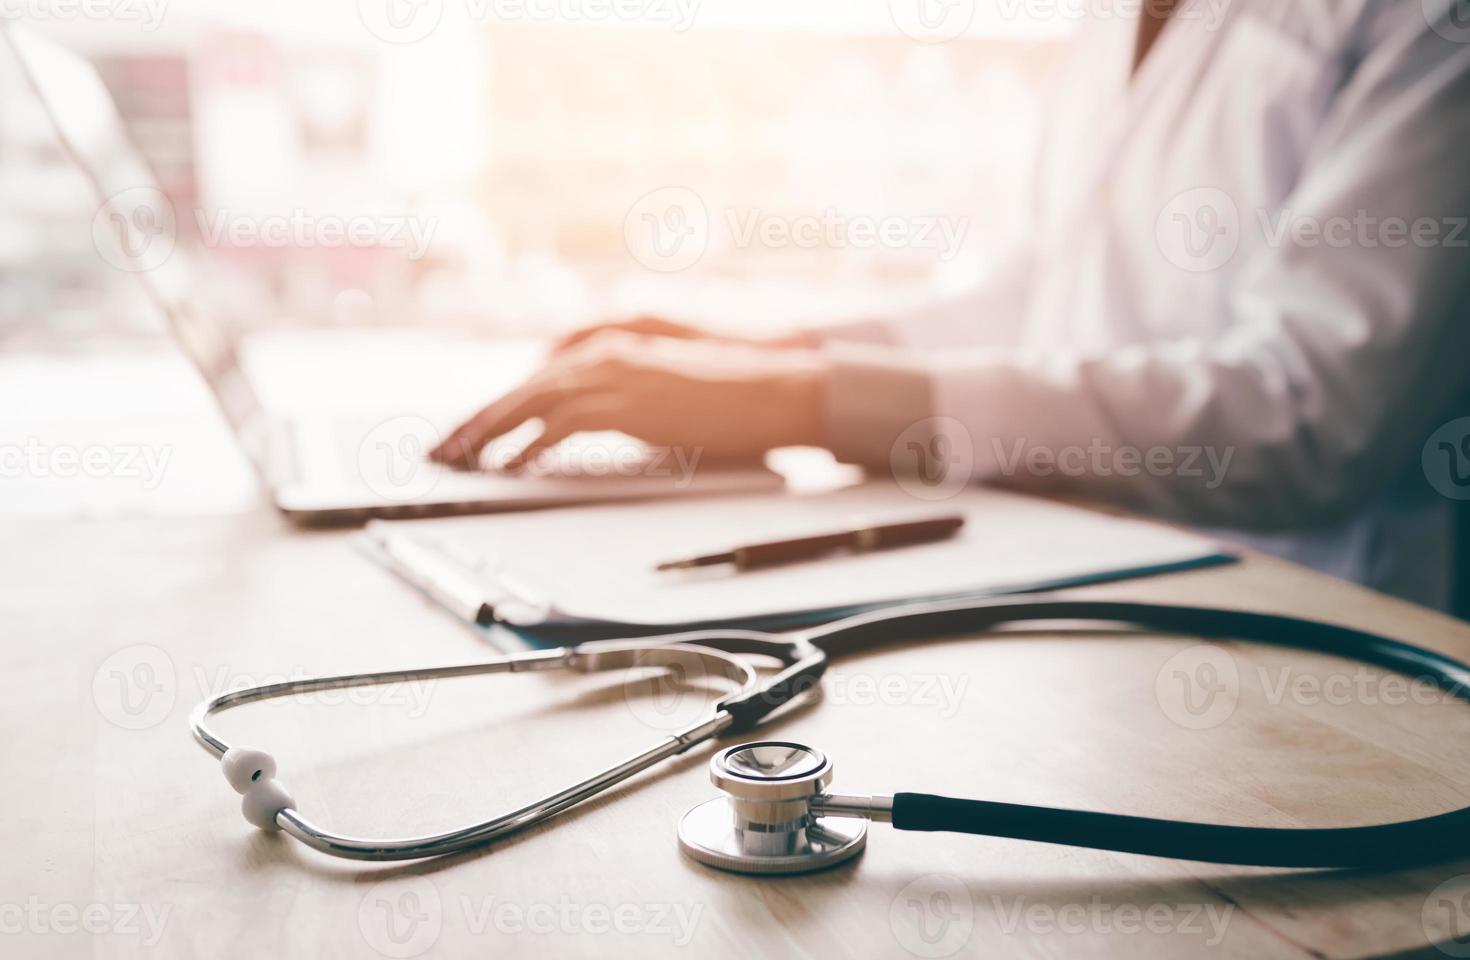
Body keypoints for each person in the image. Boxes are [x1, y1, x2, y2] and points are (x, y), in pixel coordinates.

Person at [432, 0, 1470, 610]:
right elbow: (1038, 291)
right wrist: (763, 354)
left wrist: (802, 401)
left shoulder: (1429, 26)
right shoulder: (1118, 19)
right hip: (1082, 593)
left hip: (1313, 625)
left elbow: (1303, 413)